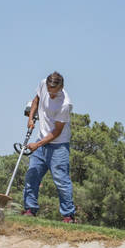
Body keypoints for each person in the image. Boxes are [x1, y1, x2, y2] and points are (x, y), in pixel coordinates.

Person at [22, 71, 77, 223]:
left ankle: (68, 216)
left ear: (61, 87)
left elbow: (57, 132)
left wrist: (36, 145)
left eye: (54, 93)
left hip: (58, 146)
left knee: (61, 181)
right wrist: (32, 117)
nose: (51, 95)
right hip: (41, 141)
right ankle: (30, 209)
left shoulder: (65, 104)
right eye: (49, 92)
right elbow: (36, 100)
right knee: (32, 176)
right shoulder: (42, 84)